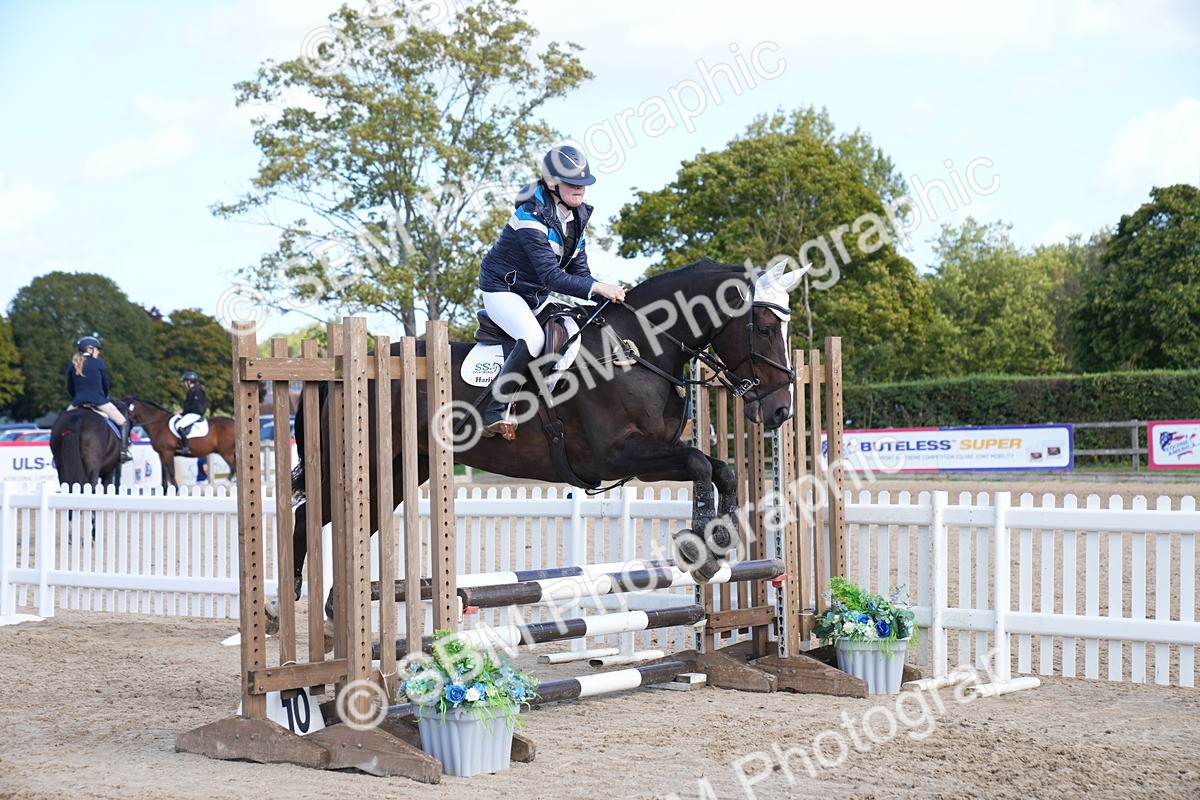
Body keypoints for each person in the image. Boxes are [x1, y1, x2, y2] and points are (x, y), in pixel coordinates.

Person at [477, 143, 626, 440]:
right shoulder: (530, 216)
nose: (580, 188)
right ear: (552, 183)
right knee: (533, 338)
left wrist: (607, 296)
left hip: (535, 295)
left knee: (572, 332)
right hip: (502, 290)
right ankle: (494, 410)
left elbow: (580, 273)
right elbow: (552, 276)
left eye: (583, 183)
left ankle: (538, 397)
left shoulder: (576, 218)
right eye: (572, 182)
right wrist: (599, 287)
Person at [65, 334, 132, 462]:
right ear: (90, 349)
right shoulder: (98, 363)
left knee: (63, 424)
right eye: (97, 350)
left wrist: (78, 397)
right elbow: (105, 384)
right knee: (122, 421)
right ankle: (124, 452)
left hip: (77, 402)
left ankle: (59, 454)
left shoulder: (72, 365)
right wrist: (104, 396)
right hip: (98, 401)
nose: (98, 353)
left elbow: (70, 387)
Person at [177, 371, 208, 455]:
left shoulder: (197, 390)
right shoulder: (192, 390)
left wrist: (183, 410)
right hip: (191, 413)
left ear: (189, 381)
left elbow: (194, 405)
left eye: (185, 381)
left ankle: (186, 446)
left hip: (195, 413)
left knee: (179, 426)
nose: (184, 384)